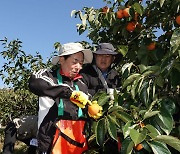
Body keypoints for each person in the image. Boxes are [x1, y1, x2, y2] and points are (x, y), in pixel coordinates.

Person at [28, 42, 94, 154]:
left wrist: (92, 108)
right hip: (49, 142)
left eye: (81, 63)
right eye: (75, 62)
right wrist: (68, 93)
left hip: (76, 144)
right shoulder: (49, 76)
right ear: (62, 59)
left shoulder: (82, 84)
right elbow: (34, 82)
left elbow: (87, 103)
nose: (79, 67)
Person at [80, 43, 122, 154]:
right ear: (95, 57)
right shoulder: (85, 73)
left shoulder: (115, 76)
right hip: (90, 123)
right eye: (100, 55)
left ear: (112, 59)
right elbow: (81, 95)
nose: (103, 59)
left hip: (110, 123)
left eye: (107, 56)